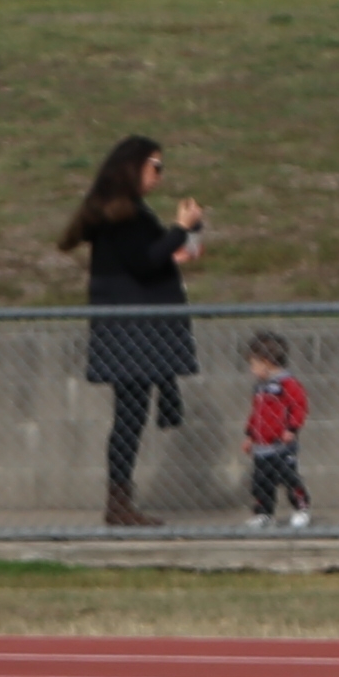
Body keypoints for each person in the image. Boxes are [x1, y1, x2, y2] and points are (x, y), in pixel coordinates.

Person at [64, 136, 203, 527]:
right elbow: (143, 263)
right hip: (130, 329)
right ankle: (119, 501)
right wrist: (180, 229)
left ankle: (121, 499)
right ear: (133, 167)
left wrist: (178, 244)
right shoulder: (119, 214)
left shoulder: (130, 214)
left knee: (133, 412)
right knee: (129, 414)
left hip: (138, 327)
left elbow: (147, 259)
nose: (159, 175)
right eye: (154, 166)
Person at [240, 330, 313, 528]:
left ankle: (301, 508)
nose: (252, 369)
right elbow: (255, 412)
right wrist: (250, 435)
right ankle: (264, 513)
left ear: (266, 362)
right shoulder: (260, 387)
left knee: (288, 478)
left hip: (281, 444)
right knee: (261, 482)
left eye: (254, 364)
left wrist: (292, 428)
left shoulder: (288, 384)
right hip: (262, 446)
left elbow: (299, 406)